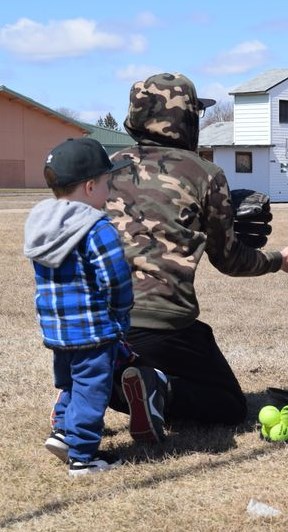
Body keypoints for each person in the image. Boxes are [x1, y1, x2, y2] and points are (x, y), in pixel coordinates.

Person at [105, 72, 288, 443]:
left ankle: (86, 385)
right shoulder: (205, 174)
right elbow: (230, 260)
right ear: (184, 118)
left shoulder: (105, 167)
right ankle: (157, 389)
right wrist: (278, 260)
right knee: (228, 405)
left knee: (133, 360)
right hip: (164, 322)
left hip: (100, 323)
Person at [23, 138, 134, 476]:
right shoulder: (96, 227)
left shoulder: (42, 223)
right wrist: (121, 312)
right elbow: (115, 278)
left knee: (70, 383)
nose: (108, 192)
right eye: (106, 184)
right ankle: (83, 457)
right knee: (91, 389)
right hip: (92, 329)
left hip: (57, 330)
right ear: (89, 186)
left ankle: (62, 432)